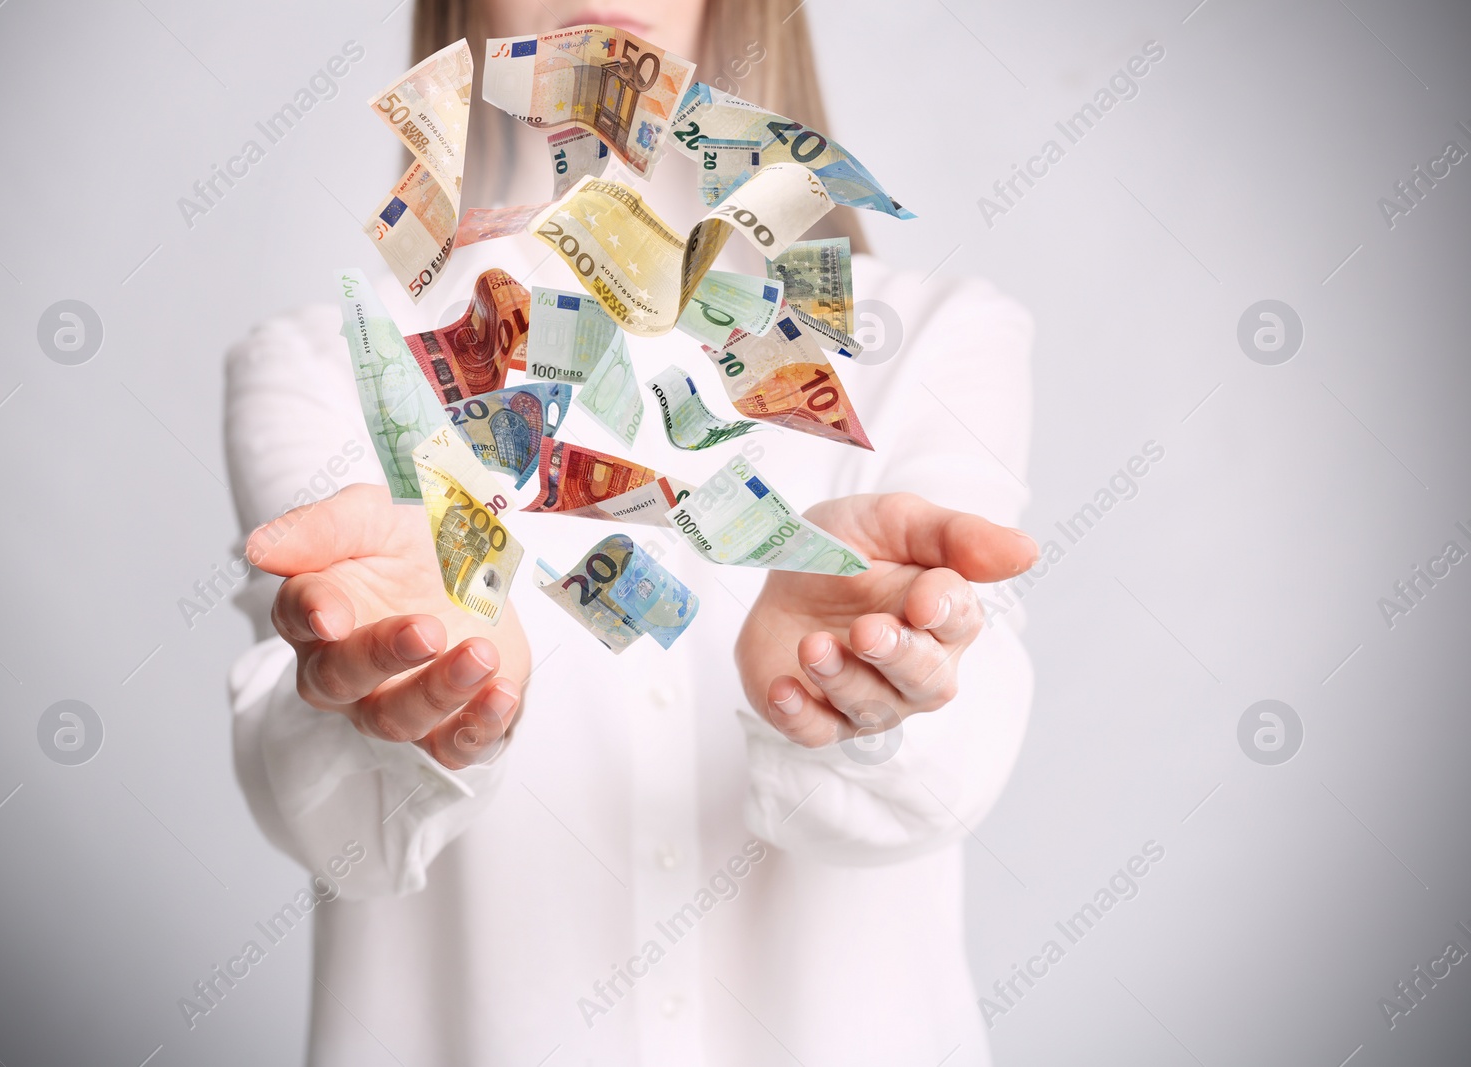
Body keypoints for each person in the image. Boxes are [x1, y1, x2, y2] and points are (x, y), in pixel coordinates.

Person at [224, 1, 1037, 1063]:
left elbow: (944, 779)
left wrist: (859, 691)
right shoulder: (326, 363)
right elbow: (335, 828)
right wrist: (422, 692)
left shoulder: (936, 338)